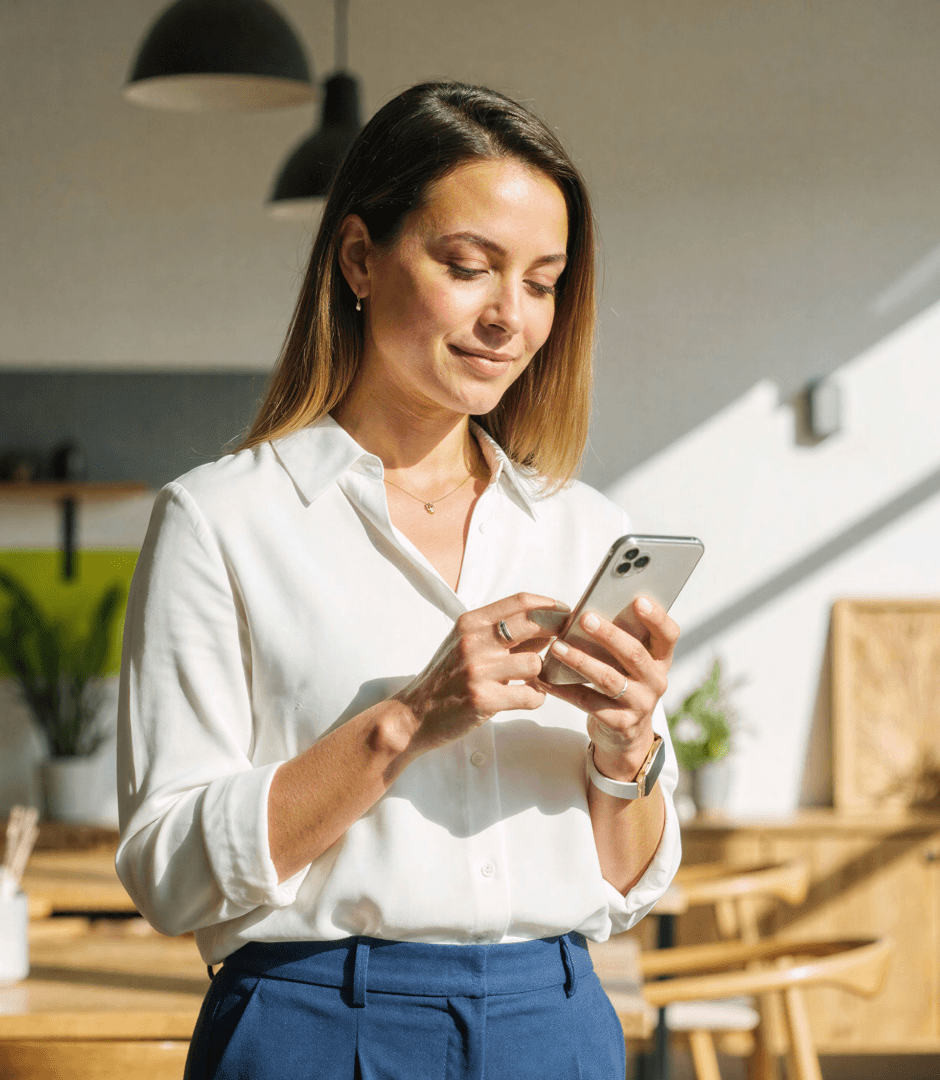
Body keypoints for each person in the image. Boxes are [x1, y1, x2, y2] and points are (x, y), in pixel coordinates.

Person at [114, 81, 682, 1080]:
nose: (510, 316)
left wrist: (625, 745)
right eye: (470, 267)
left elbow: (631, 880)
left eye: (544, 282)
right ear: (359, 260)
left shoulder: (587, 529)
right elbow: (168, 871)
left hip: (555, 1025)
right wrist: (409, 720)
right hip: (314, 1027)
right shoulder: (220, 522)